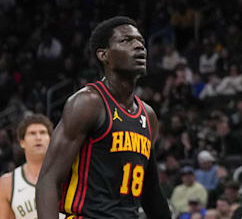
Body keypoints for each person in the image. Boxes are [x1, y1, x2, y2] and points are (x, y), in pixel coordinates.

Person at [35, 17, 171, 219]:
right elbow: (48, 179)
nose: (139, 47)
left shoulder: (148, 116)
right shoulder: (88, 103)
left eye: (140, 42)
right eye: (126, 40)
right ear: (103, 55)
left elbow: (150, 193)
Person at [0, 114, 53, 219]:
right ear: (22, 142)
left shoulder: (68, 173)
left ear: (51, 139)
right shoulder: (7, 183)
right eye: (32, 133)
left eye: (42, 132)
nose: (38, 137)